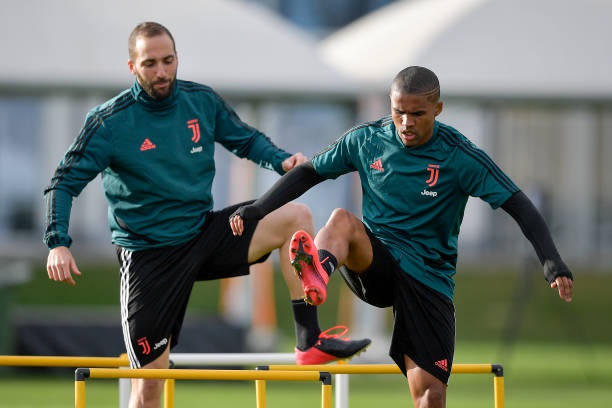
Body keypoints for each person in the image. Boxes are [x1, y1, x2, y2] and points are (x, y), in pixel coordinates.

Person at [43, 21, 370, 408]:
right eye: (150, 64)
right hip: (149, 258)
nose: (162, 71)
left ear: (178, 58)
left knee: (296, 215)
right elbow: (63, 183)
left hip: (204, 233)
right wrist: (58, 244)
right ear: (132, 67)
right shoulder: (109, 121)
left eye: (168, 60)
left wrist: (282, 160)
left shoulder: (201, 101)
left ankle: (308, 341)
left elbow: (245, 139)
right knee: (148, 389)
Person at [229, 66, 574, 408]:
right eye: (398, 112)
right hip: (374, 263)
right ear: (390, 106)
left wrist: (551, 260)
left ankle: (319, 268)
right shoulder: (367, 139)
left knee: (430, 395)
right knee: (341, 221)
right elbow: (309, 172)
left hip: (427, 279)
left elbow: (517, 203)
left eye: (417, 114)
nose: (406, 122)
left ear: (438, 109)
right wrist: (259, 208)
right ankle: (318, 269)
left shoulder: (459, 156)